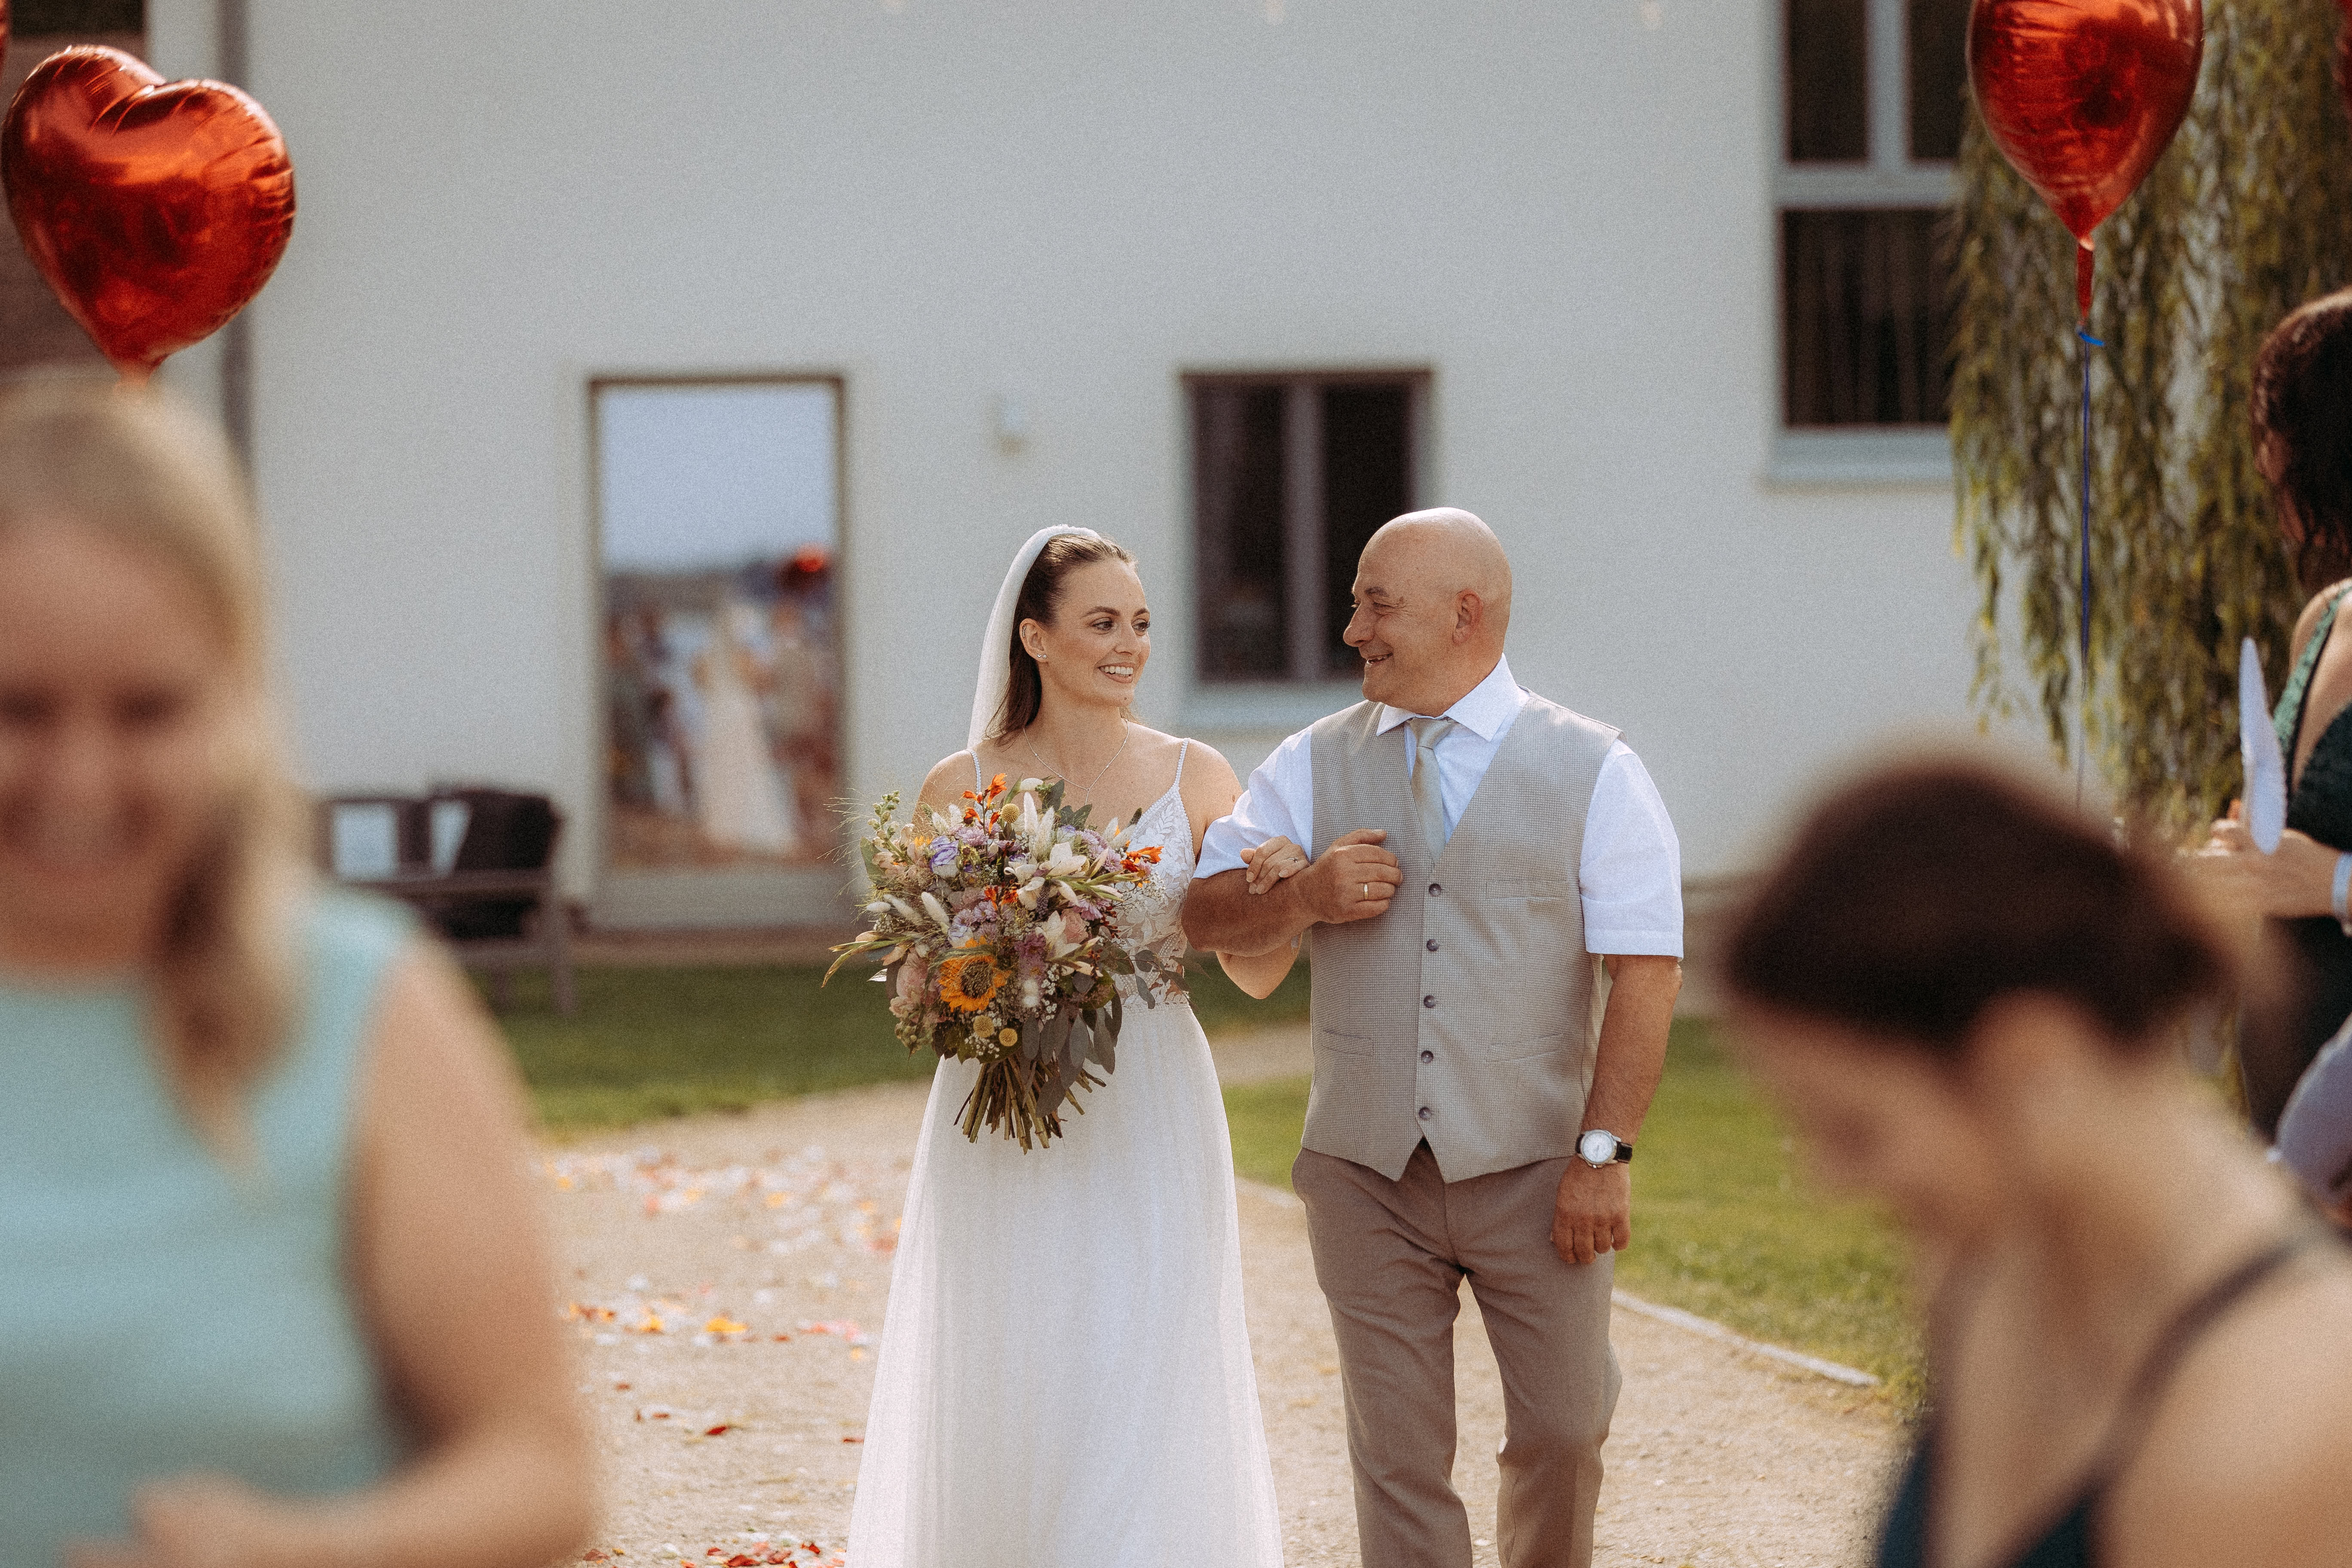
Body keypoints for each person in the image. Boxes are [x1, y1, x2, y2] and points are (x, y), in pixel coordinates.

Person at [0, 381, 593, 1568]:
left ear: (236, 695)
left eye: (148, 711)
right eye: (18, 710)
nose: (80, 780)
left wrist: (316, 1551)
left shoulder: (361, 1005)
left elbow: (542, 1469)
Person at [1182, 508, 1684, 1568]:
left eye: (1376, 603)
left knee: (1563, 1430)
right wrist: (1307, 894)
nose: (1353, 629)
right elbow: (1203, 910)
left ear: (1465, 615)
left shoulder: (1596, 770)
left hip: (1538, 1170)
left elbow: (1646, 970)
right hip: (1365, 1171)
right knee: (1398, 1456)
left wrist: (1604, 1155)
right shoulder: (1312, 762)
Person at [1724, 752, 2352, 1568]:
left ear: (2031, 1061)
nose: (1826, 1178)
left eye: (1855, 1128)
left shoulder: (2288, 1411)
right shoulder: (1985, 1254)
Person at [847, 527, 1302, 1567]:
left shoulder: (1198, 774)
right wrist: (990, 978)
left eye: (1140, 624)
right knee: (1018, 1353)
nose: (1129, 645)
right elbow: (917, 991)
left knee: (1146, 1354)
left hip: (1150, 1094)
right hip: (1003, 1112)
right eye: (1102, 623)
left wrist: (1285, 894)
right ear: (1036, 639)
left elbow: (1258, 973)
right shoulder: (959, 784)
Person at [2194, 286, 2352, 1135]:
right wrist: (2240, 865)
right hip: (2291, 1121)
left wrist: (2330, 881)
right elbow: (2284, 850)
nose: (2266, 460)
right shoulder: (2324, 620)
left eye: (2279, 430)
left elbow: (2315, 869)